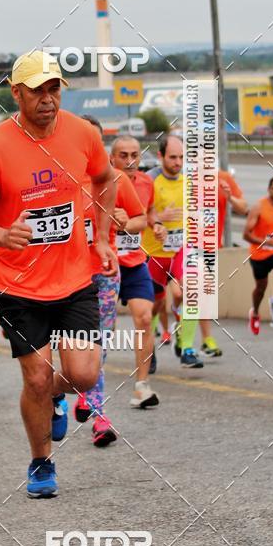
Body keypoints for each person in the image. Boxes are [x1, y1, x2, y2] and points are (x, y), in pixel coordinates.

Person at [0, 50, 118, 499]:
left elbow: (106, 179)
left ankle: (53, 396)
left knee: (83, 375)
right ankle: (41, 461)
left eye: (54, 89)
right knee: (35, 377)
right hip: (18, 285)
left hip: (74, 279)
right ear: (16, 93)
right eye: (37, 91)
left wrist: (101, 238)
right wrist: (1, 235)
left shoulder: (83, 133)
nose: (48, 99)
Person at [74, 120, 152, 449]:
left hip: (105, 272)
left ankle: (98, 415)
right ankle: (62, 395)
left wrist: (125, 222)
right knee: (70, 346)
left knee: (99, 344)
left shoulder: (116, 179)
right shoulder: (60, 179)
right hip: (65, 277)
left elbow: (140, 218)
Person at [142, 135, 203, 368]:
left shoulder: (188, 182)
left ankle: (187, 348)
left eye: (181, 157)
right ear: (161, 156)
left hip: (180, 251)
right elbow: (139, 213)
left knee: (190, 291)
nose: (178, 162)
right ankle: (149, 351)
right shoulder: (149, 180)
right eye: (173, 157)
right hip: (153, 253)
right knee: (154, 306)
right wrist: (159, 218)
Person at [109, 135, 160, 406]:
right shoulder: (102, 184)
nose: (130, 161)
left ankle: (142, 386)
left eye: (134, 155)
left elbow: (147, 212)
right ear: (111, 159)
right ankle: (88, 386)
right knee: (103, 328)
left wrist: (156, 224)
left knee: (144, 317)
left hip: (134, 262)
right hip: (105, 264)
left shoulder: (147, 182)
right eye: (123, 156)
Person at [196, 170, 248, 356]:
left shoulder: (223, 178)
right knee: (188, 292)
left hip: (210, 247)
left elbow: (243, 208)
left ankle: (205, 340)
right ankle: (184, 330)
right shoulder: (185, 176)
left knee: (203, 293)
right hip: (187, 246)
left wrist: (230, 197)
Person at [244, 175, 273, 335]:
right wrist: (265, 241)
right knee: (261, 288)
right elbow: (246, 235)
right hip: (259, 254)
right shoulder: (259, 207)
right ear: (269, 189)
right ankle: (255, 312)